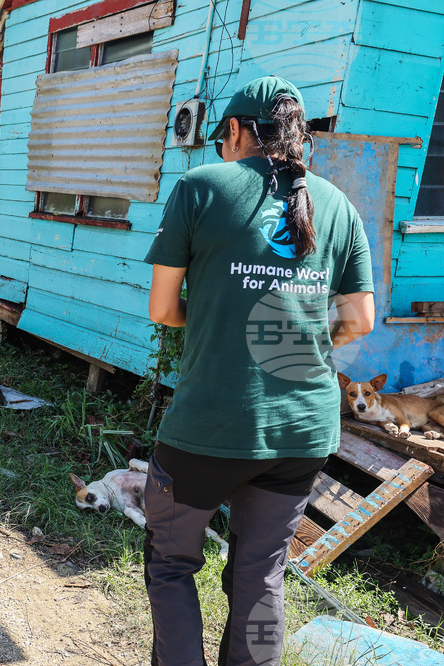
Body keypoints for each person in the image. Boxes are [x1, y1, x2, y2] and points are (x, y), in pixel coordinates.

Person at [143, 76, 375, 666]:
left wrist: (223, 314)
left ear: (240, 131)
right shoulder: (339, 206)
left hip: (211, 424)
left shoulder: (200, 188)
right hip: (302, 431)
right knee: (261, 575)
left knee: (171, 565)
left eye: (225, 136)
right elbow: (361, 320)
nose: (223, 147)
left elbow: (165, 309)